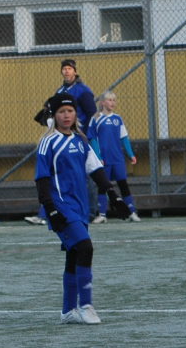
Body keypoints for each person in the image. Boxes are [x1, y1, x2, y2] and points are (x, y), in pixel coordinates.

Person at [35, 93, 131, 324]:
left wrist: (113, 196)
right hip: (60, 206)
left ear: (75, 114)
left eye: (70, 111)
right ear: (54, 115)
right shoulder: (48, 142)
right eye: (61, 112)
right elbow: (42, 179)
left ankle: (68, 311)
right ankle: (86, 306)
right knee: (86, 247)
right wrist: (51, 209)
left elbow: (96, 170)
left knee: (74, 253)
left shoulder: (81, 140)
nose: (66, 115)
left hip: (80, 207)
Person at [27, 59, 97, 225]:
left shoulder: (83, 90)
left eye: (69, 68)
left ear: (75, 71)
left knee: (86, 174)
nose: (66, 71)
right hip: (62, 137)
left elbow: (91, 113)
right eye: (64, 69)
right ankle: (47, 213)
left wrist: (83, 135)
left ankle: (91, 212)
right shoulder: (61, 90)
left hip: (77, 137)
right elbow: (52, 107)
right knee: (56, 175)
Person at [88, 91, 140, 223]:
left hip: (117, 159)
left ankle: (132, 212)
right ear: (102, 102)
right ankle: (102, 215)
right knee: (103, 186)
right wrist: (98, 157)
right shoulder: (95, 119)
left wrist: (131, 154)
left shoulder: (118, 119)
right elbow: (92, 139)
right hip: (104, 159)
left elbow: (124, 138)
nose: (112, 103)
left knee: (123, 184)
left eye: (114, 100)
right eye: (109, 100)